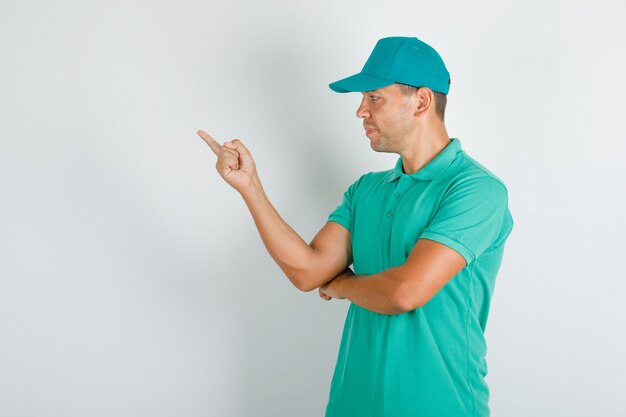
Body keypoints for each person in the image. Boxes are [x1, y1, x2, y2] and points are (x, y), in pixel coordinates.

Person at [197, 36, 513, 417]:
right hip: (352, 404)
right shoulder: (366, 190)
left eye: (374, 97)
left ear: (422, 101)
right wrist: (250, 188)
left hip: (439, 406)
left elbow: (405, 292)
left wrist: (342, 284)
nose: (361, 111)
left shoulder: (475, 190)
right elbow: (308, 271)